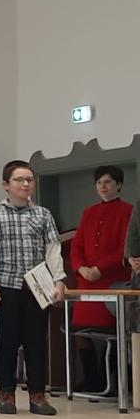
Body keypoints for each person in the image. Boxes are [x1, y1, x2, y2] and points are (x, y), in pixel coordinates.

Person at [0, 161, 66, 416]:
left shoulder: (43, 214)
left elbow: (53, 249)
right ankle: (6, 393)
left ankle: (37, 394)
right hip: (7, 285)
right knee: (7, 342)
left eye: (29, 179)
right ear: (6, 185)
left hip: (38, 286)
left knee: (36, 341)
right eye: (19, 180)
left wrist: (59, 280)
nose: (25, 184)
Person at [68, 165, 132, 392]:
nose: (103, 186)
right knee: (78, 329)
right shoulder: (89, 212)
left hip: (112, 281)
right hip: (87, 281)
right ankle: (91, 378)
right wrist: (80, 267)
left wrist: (100, 268)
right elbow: (77, 245)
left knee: (113, 330)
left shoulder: (128, 211)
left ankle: (110, 380)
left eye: (108, 182)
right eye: (99, 183)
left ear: (119, 185)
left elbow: (126, 247)